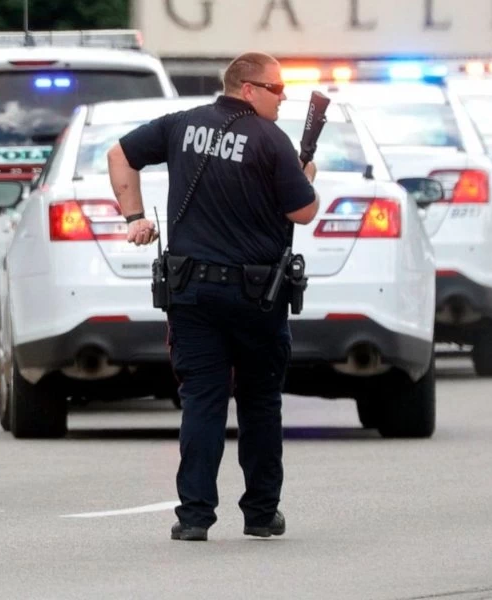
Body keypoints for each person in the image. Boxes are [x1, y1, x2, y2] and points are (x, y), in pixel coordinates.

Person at [106, 51, 318, 541]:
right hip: (255, 297)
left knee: (202, 401)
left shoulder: (183, 124)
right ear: (247, 88)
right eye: (276, 89)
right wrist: (306, 177)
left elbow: (119, 154)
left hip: (191, 293)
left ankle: (194, 517)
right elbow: (303, 212)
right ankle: (262, 514)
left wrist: (133, 217)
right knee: (260, 401)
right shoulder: (270, 139)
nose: (283, 98)